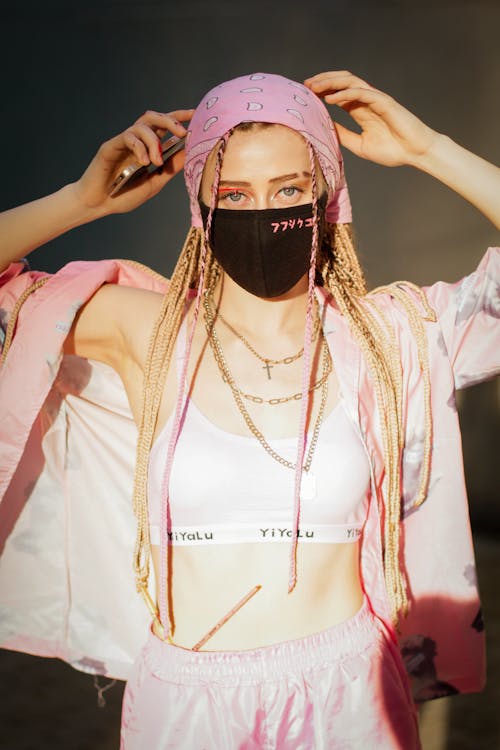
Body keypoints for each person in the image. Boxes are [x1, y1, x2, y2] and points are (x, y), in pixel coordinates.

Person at [0, 70, 498, 749]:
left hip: (348, 692)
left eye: (289, 190)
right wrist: (82, 201)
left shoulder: (389, 335)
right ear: (201, 207)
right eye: (233, 193)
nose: (262, 214)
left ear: (326, 197)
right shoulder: (145, 330)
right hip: (187, 698)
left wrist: (428, 148)